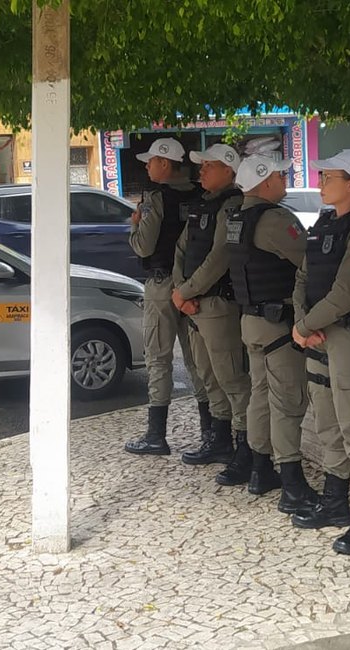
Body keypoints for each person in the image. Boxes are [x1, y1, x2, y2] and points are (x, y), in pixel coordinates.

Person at [287, 149, 350, 553]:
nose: (321, 183)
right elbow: (303, 277)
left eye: (329, 177)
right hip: (317, 335)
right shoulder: (324, 224)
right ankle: (335, 501)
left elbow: (347, 292)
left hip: (347, 337)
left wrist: (306, 326)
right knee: (327, 421)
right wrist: (302, 322)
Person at [224, 153, 318, 513]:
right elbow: (310, 259)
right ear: (265, 182)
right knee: (287, 402)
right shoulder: (275, 220)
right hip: (278, 323)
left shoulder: (237, 218)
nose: (284, 181)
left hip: (251, 321)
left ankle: (260, 469)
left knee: (260, 396)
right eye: (280, 176)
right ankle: (292, 486)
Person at [123, 138, 209, 456]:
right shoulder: (200, 194)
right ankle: (211, 433)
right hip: (195, 286)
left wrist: (134, 228)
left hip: (162, 286)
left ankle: (156, 435)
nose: (147, 167)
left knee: (158, 358)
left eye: (151, 161)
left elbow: (144, 246)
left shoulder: (155, 198)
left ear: (164, 163)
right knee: (197, 360)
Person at [171, 144, 253, 470]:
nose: (201, 171)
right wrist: (181, 290)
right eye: (201, 165)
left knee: (231, 378)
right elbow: (181, 249)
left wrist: (185, 291)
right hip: (195, 305)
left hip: (217, 304)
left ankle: (246, 449)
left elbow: (220, 256)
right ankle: (219, 442)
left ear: (229, 170)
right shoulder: (204, 204)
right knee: (208, 376)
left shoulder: (232, 205)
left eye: (209, 166)